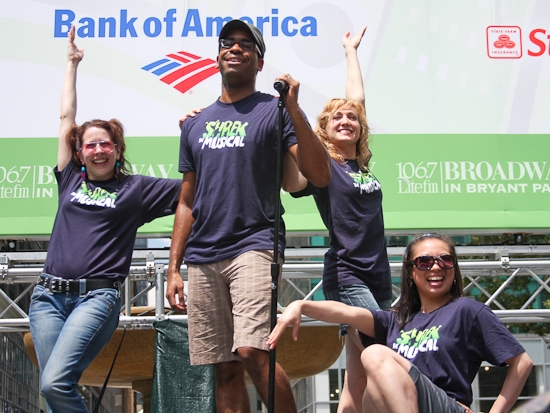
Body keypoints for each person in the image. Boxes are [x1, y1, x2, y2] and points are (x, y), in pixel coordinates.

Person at [166, 19, 331, 413]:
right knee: (223, 367)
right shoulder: (194, 123)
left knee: (253, 349)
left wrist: (293, 108)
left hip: (254, 244)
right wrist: (174, 267)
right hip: (203, 254)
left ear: (259, 64)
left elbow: (320, 175)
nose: (235, 49)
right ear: (218, 56)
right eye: (228, 43)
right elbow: (186, 201)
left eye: (246, 45)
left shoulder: (274, 111)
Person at [28, 25, 181, 413]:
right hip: (47, 297)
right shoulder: (69, 179)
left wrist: (194, 132)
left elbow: (194, 191)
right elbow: (66, 116)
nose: (98, 149)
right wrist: (71, 64)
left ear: (117, 149)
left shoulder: (136, 189)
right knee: (53, 391)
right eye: (90, 144)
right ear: (79, 152)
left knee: (54, 382)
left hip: (96, 297)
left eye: (105, 143)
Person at [268, 233, 533, 413]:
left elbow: (522, 363)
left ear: (454, 268)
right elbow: (345, 313)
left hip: (447, 405)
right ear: (410, 272)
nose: (436, 268)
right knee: (371, 389)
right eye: (425, 262)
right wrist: (300, 305)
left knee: (373, 353)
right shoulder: (396, 319)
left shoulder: (467, 310)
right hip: (406, 404)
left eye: (445, 260)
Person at [281, 27, 392, 413]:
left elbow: (357, 99)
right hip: (348, 275)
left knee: (357, 373)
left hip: (379, 272)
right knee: (384, 347)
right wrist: (286, 123)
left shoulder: (360, 163)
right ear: (324, 131)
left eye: (352, 118)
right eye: (337, 118)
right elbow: (290, 180)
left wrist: (350, 51)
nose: (346, 119)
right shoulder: (322, 165)